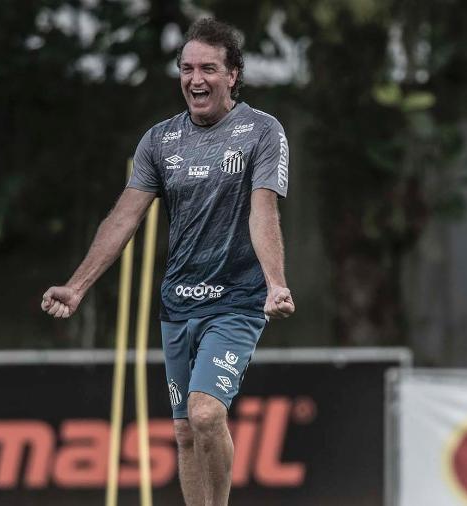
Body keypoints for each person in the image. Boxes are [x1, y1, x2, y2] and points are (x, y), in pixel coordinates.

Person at [40, 18, 295, 505]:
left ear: (233, 75)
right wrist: (76, 287)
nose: (195, 79)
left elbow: (263, 211)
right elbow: (123, 219)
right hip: (178, 302)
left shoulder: (262, 131)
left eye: (209, 68)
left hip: (236, 301)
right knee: (182, 432)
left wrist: (275, 283)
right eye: (187, 69)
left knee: (205, 415)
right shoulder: (159, 141)